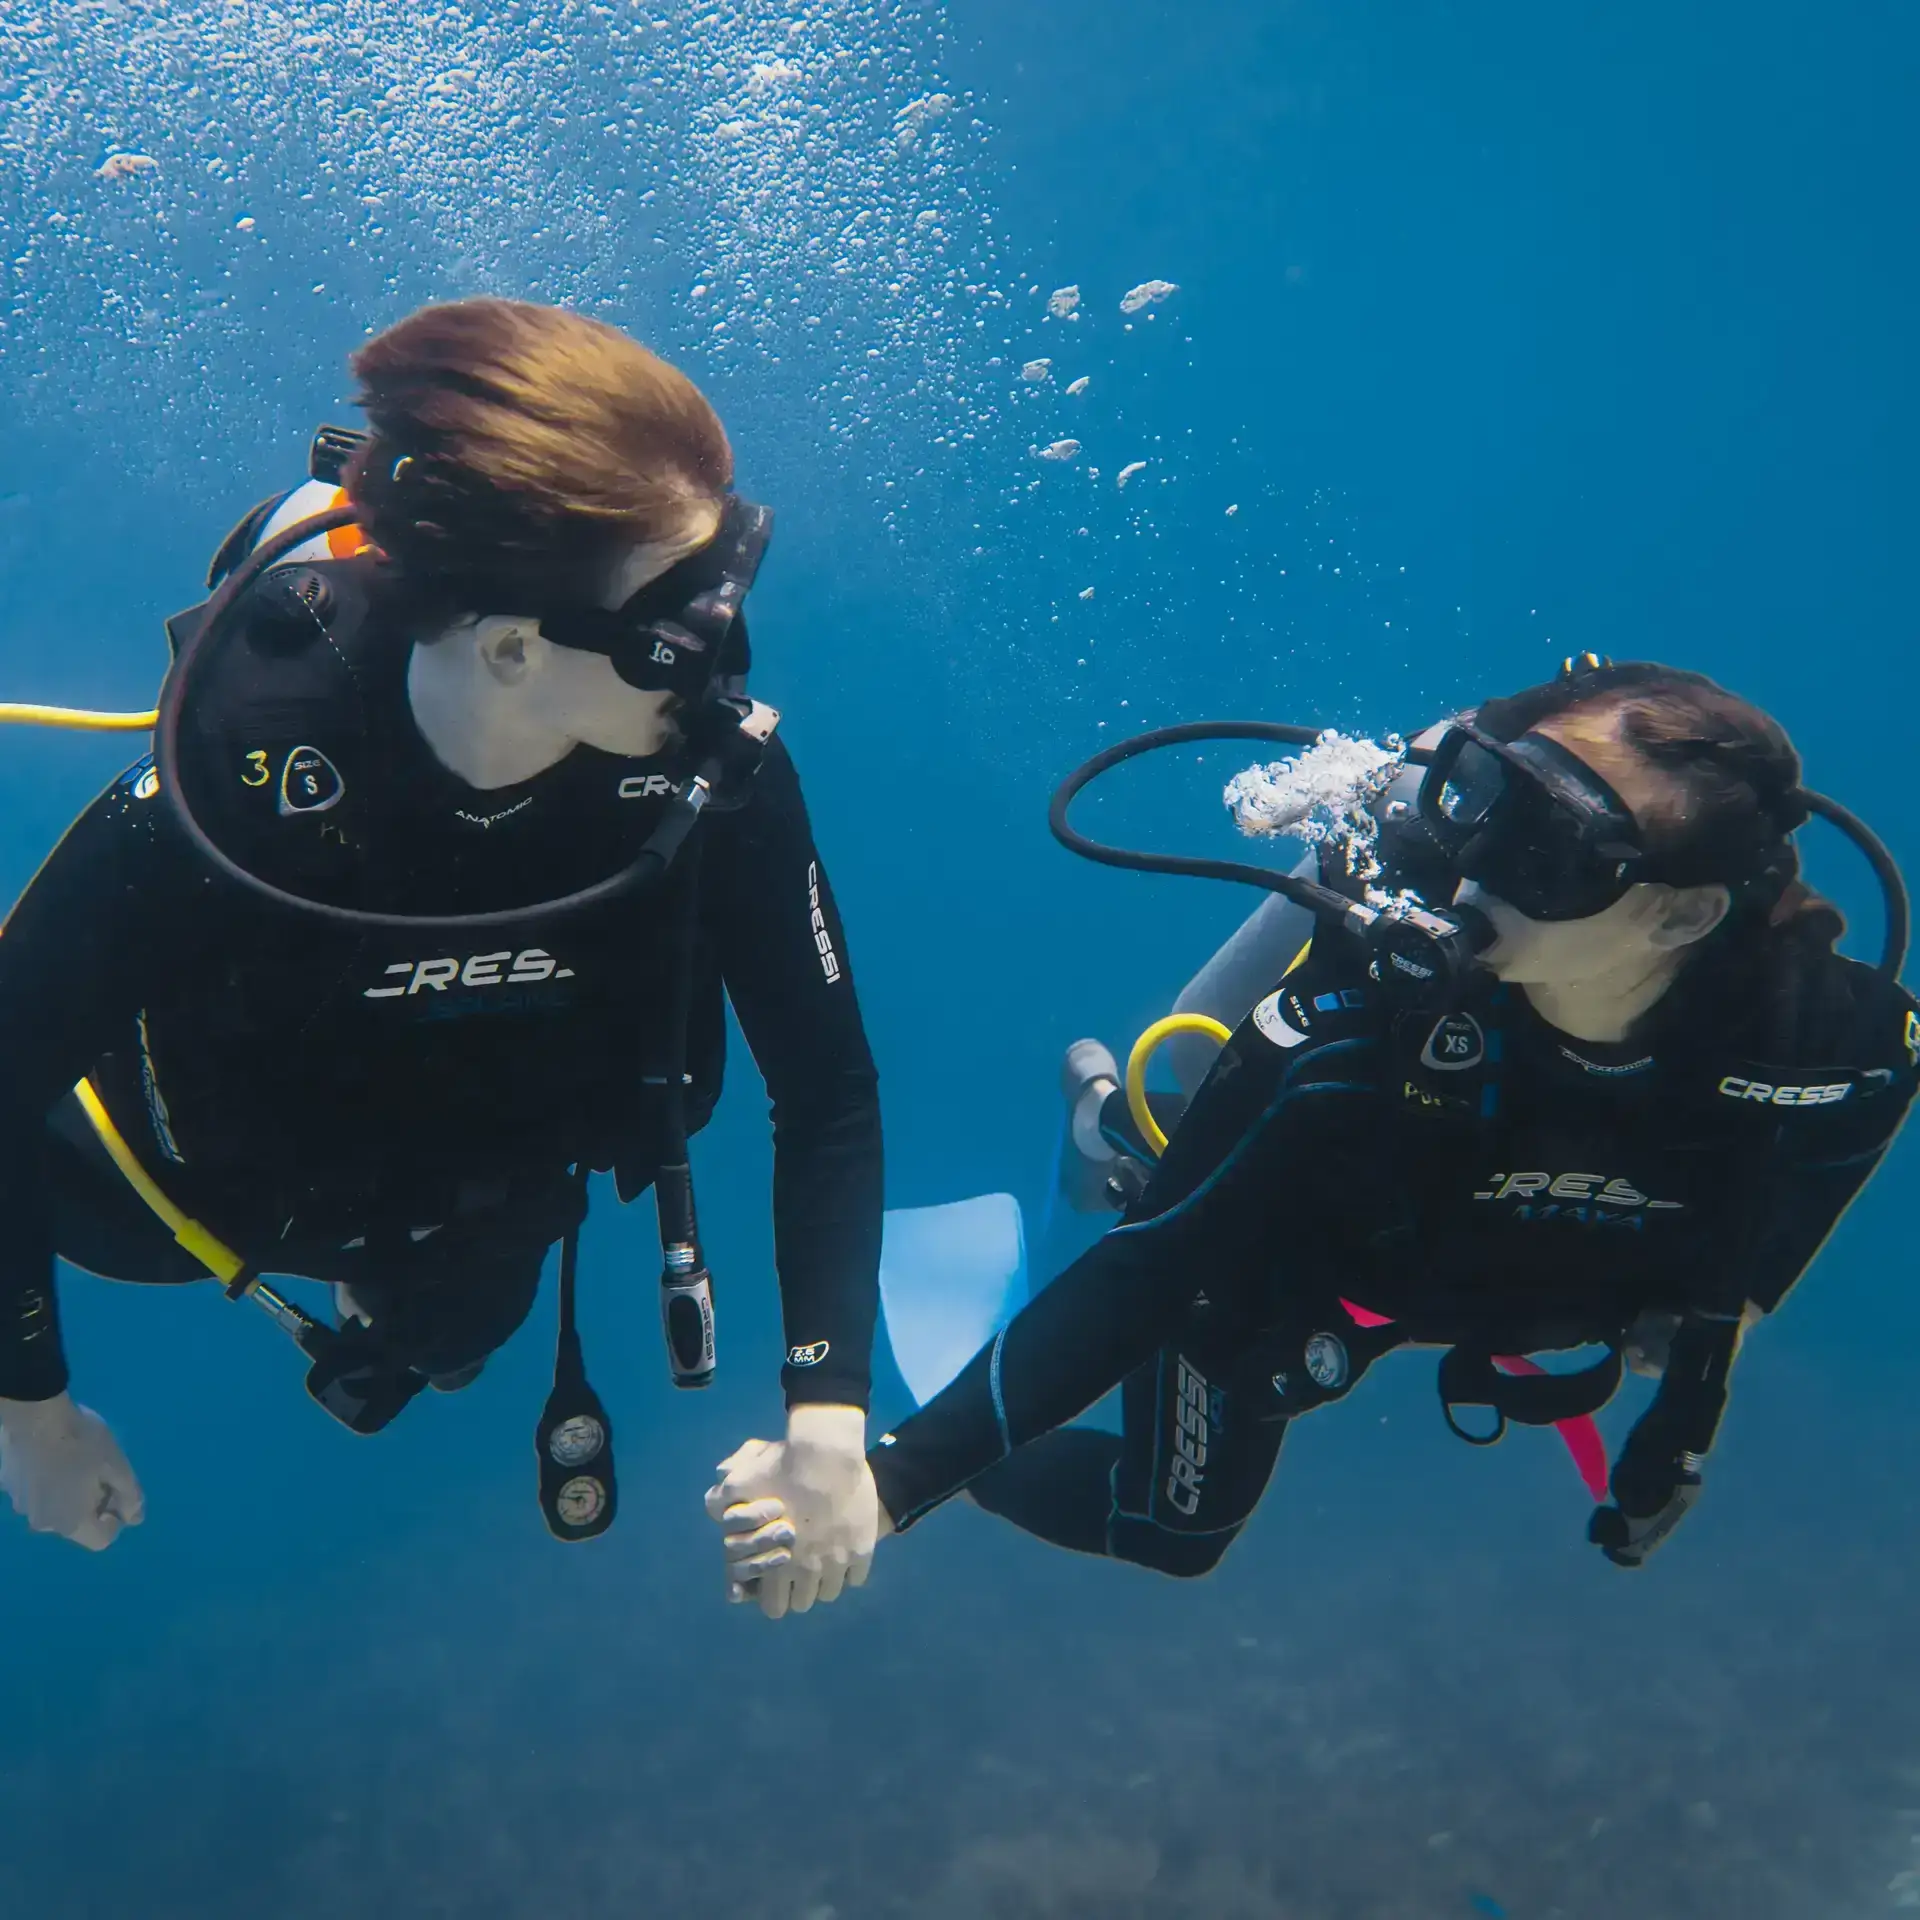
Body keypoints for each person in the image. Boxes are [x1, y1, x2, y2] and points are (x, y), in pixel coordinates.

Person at [0, 298, 882, 1611]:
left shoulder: (707, 778)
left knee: (463, 1336)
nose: (729, 675)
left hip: (488, 1181)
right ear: (518, 648)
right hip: (185, 1189)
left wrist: (830, 1421)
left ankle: (397, 1297)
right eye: (688, 630)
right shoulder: (243, 775)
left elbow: (830, 1095)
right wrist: (34, 1417)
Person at [710, 661, 1917, 1600]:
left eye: (1541, 848)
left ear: (1683, 915)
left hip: (1484, 1261)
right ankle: (1098, 1149)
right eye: (1476, 802)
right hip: (1302, 1256)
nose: (1466, 870)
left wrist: (1690, 1414)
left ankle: (1121, 1135)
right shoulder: (1367, 1019)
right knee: (1167, 1530)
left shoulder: (1839, 1043)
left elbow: (1785, 1207)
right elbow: (1159, 1271)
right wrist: (889, 1481)